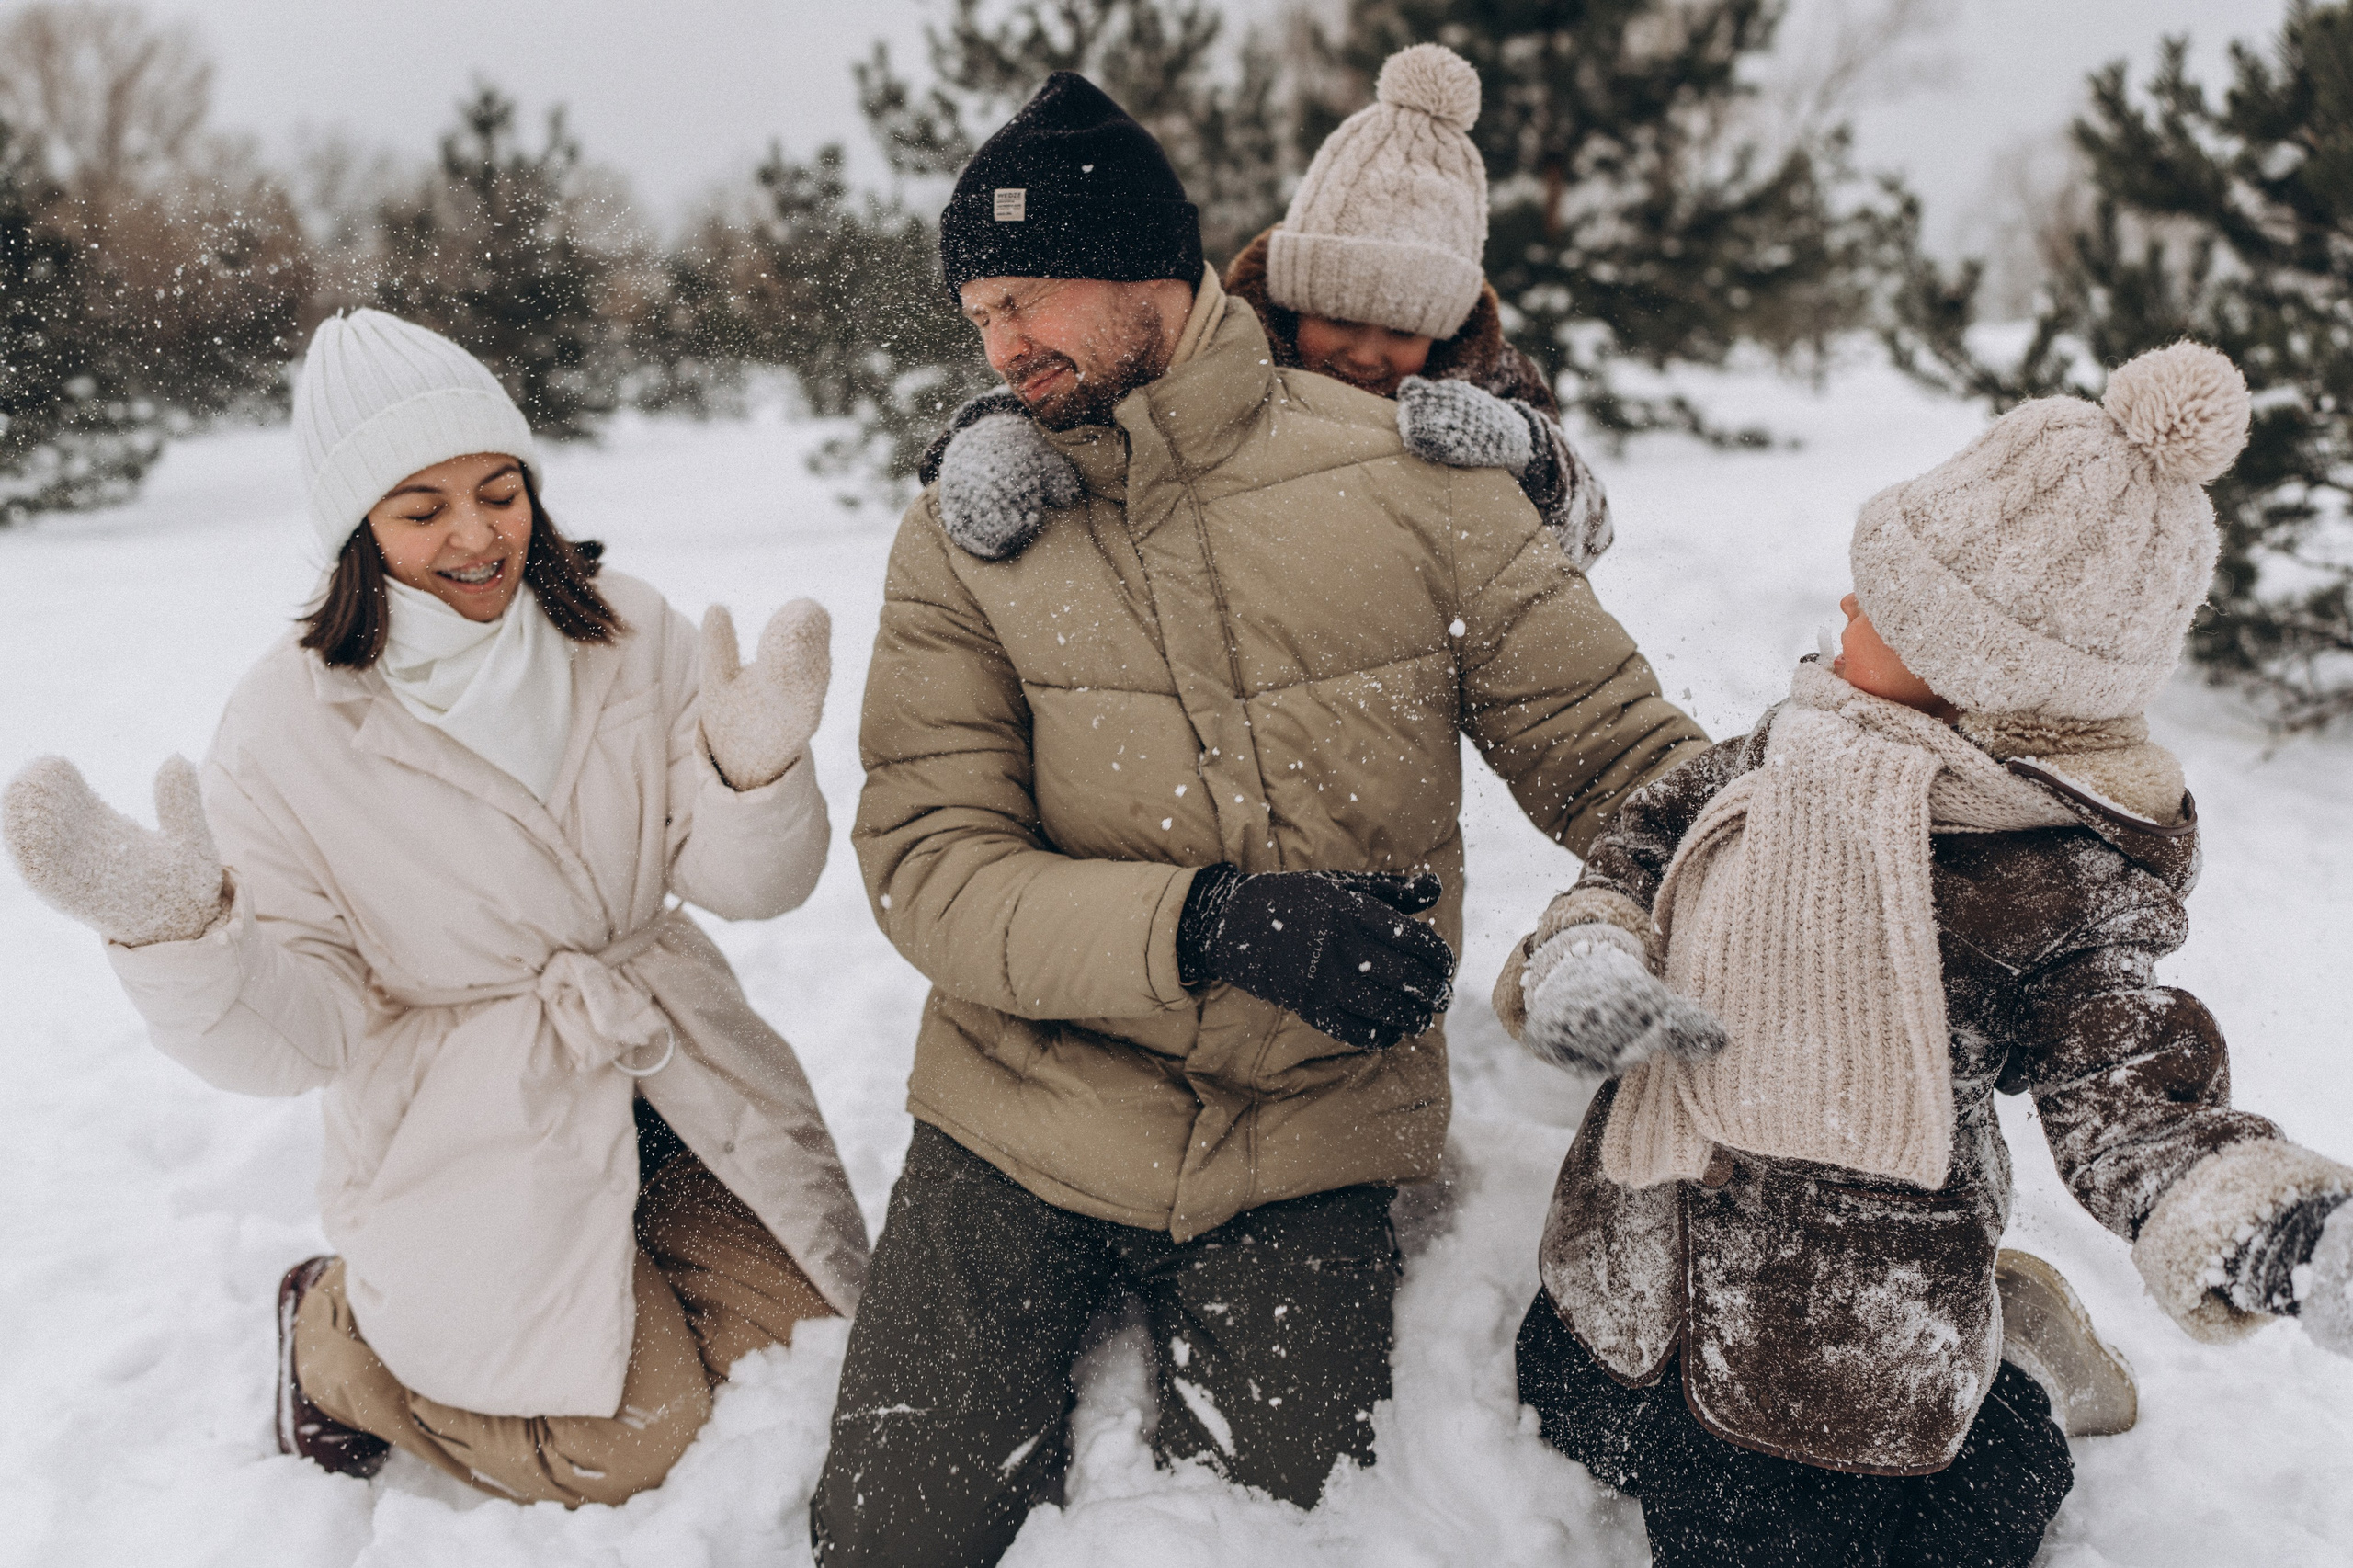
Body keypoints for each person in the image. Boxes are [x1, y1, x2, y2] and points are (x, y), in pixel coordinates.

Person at [813, 68, 1707, 1567]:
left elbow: (1626, 761)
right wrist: (1205, 923)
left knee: (1284, 1527)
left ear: (1151, 272)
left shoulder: (1417, 480)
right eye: (980, 317)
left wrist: (1818, 861)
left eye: (1028, 299)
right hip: (1015, 1110)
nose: (999, 344)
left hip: (1306, 1127)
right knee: (888, 1534)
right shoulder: (972, 532)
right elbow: (928, 866)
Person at [1498, 341, 2353, 1566]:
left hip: (1840, 1343)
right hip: (1627, 1268)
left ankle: (2011, 1387)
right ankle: (1978, 1327)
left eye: (1886, 609)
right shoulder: (1776, 749)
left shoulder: (2047, 884)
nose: (1845, 610)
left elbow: (2131, 1098)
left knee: (1900, 1531)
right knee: (1573, 1410)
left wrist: (2276, 1227)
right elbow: (1636, 848)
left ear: (1977, 684)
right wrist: (1587, 947)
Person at [1, 310, 870, 1506]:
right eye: (422, 510)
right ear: (357, 530)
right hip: (469, 1120)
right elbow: (301, 1028)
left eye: (500, 490)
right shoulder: (281, 732)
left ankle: (644, 1242)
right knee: (632, 1438)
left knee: (812, 1348)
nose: (477, 534)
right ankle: (335, 1328)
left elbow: (748, 883)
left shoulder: (631, 631)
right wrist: (189, 939)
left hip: (669, 1064)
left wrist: (749, 778)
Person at [921, 43, 1611, 574]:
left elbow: (1585, 541)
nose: (1368, 354)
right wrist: (994, 428)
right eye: (1340, 318)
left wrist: (1529, 452)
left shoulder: (1482, 381)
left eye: (1404, 331)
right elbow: (1096, 381)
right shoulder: (1240, 359)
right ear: (1290, 302)